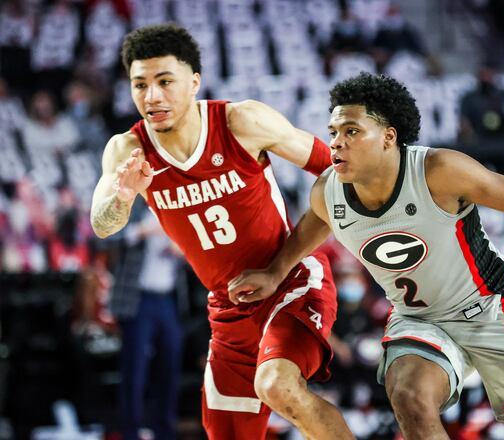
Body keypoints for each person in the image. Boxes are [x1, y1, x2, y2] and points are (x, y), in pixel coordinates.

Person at [228, 72, 504, 440]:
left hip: (490, 308)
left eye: (351, 131)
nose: (337, 142)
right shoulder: (329, 191)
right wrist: (274, 272)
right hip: (418, 319)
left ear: (388, 137)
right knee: (408, 395)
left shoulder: (438, 171)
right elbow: (314, 223)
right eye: (333, 132)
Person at [89, 24, 353, 440]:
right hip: (230, 306)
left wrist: (283, 264)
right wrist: (122, 196)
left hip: (292, 278)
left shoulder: (242, 120)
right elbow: (103, 224)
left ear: (194, 81)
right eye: (140, 85)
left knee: (277, 385)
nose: (152, 96)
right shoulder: (128, 149)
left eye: (164, 82)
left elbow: (340, 172)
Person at [109, 202, 186, 440]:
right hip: (139, 299)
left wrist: (181, 248)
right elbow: (109, 238)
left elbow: (192, 250)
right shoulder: (134, 206)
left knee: (170, 362)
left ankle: (163, 429)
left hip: (166, 299)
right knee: (135, 367)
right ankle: (130, 430)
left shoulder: (178, 209)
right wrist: (144, 230)